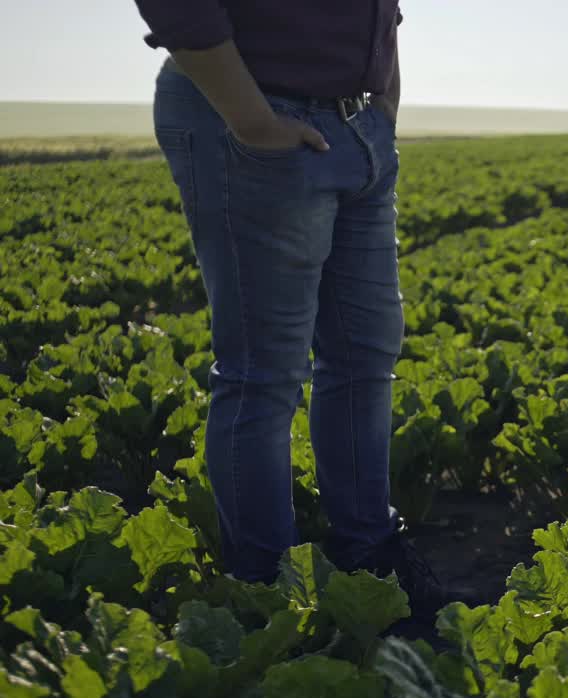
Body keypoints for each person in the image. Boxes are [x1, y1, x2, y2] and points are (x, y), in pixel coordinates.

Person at [132, 1, 447, 616]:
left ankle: (370, 557)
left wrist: (382, 98)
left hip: (356, 126)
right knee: (264, 372)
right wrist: (252, 118)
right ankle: (269, 596)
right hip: (259, 115)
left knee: (365, 353)